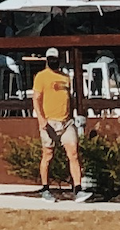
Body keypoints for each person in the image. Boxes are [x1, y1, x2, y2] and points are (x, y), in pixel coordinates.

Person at [31, 47, 85, 201]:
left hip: (66, 122)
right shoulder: (41, 77)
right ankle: (45, 188)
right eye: (51, 59)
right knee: (48, 155)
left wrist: (73, 115)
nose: (53, 62)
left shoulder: (66, 78)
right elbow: (36, 99)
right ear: (47, 60)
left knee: (73, 153)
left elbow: (70, 98)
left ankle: (78, 188)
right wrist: (41, 119)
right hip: (50, 122)